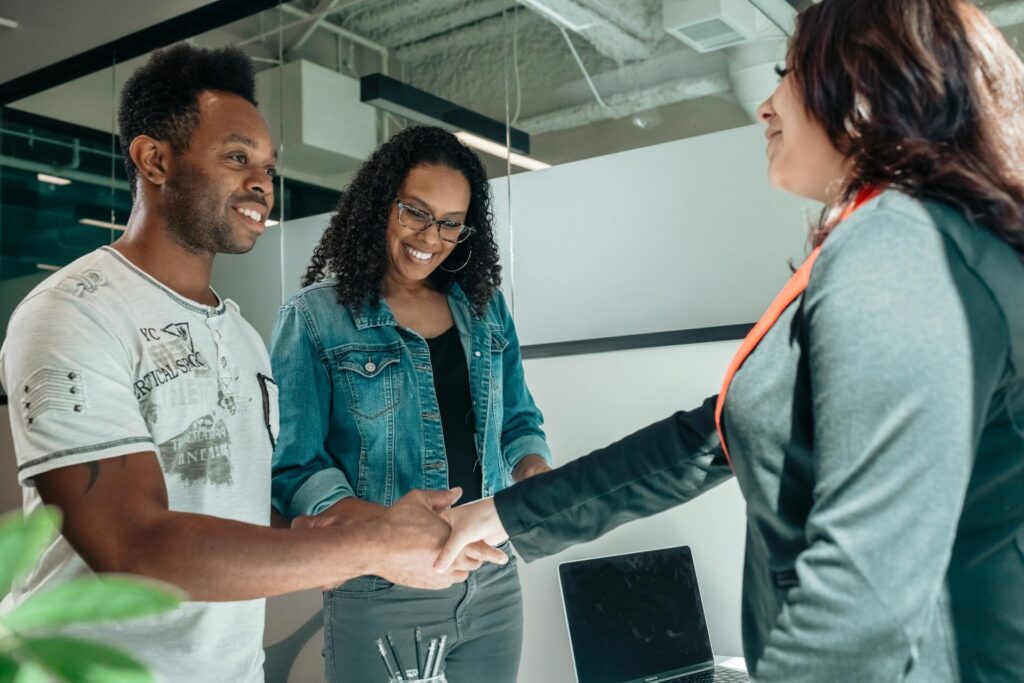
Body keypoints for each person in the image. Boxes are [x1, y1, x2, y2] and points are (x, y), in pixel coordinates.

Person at [437, 1, 1024, 681]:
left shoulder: (899, 249)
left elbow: (864, 601)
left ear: (864, 89)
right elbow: (709, 439)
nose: (765, 106)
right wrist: (506, 514)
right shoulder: (916, 241)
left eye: (789, 74)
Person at [0, 45, 504, 683]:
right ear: (154, 159)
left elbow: (242, 512)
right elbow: (132, 547)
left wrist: (376, 522)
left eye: (268, 165)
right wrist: (372, 548)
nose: (261, 183)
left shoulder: (238, 334)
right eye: (237, 157)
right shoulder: (74, 312)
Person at [270, 125, 552, 682]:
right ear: (381, 205)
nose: (432, 236)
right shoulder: (313, 318)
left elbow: (519, 420)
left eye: (451, 223)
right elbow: (296, 466)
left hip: (491, 579)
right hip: (382, 583)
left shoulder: (485, 309)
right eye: (416, 212)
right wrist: (383, 532)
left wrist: (535, 471)